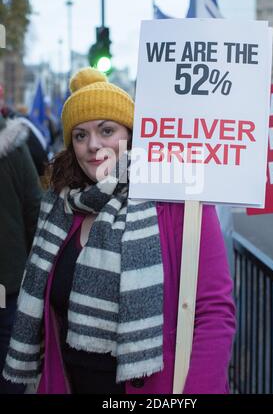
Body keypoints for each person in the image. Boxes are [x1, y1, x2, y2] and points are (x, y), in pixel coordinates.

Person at [3, 67, 236, 394]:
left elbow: (214, 314)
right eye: (80, 135)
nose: (93, 145)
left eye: (107, 129)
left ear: (131, 133)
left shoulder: (176, 200)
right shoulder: (61, 208)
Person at [0, 114, 42, 394]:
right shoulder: (13, 147)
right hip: (8, 281)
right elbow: (34, 211)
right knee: (9, 364)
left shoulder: (14, 147)